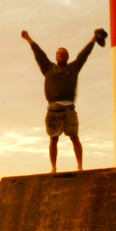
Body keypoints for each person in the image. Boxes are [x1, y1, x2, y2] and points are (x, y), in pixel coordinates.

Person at [21, 28, 107, 173]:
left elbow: (83, 55)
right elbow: (39, 54)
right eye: (59, 53)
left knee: (75, 138)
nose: (62, 54)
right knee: (53, 140)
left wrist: (93, 38)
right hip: (53, 110)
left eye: (64, 53)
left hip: (69, 111)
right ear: (56, 57)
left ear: (67, 57)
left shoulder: (73, 68)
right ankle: (53, 168)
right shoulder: (48, 68)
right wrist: (28, 38)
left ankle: (80, 167)